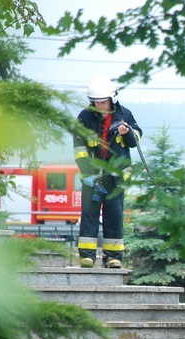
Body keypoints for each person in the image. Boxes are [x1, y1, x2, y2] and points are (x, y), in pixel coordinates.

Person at [73, 76, 142, 269]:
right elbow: (79, 147)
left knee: (114, 215)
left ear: (112, 99)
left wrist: (126, 133)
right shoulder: (84, 117)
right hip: (92, 177)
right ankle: (87, 256)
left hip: (115, 177)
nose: (100, 105)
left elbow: (136, 139)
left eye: (103, 102)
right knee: (89, 214)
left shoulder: (125, 115)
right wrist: (86, 172)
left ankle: (113, 257)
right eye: (96, 102)